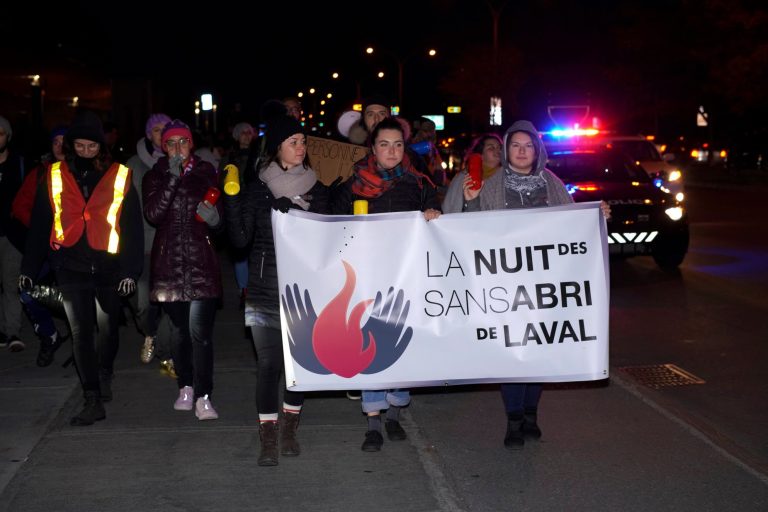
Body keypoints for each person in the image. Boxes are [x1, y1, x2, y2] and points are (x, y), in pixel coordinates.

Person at [453, 119, 609, 450]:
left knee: (539, 350)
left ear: (537, 150)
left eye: (528, 146)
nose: (522, 152)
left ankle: (530, 415)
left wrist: (597, 215)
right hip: (506, 284)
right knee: (511, 352)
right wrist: (471, 202)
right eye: (515, 145)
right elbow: (469, 231)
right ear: (506, 150)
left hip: (545, 285)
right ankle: (512, 421)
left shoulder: (553, 183)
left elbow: (573, 225)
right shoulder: (491, 185)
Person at [20, 110, 143, 426]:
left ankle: (105, 372)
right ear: (71, 145)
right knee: (80, 332)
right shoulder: (54, 175)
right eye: (80, 146)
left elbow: (131, 226)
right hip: (69, 264)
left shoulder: (120, 174)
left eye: (93, 146)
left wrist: (130, 270)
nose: (86, 151)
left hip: (108, 265)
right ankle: (91, 398)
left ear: (101, 147)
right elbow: (40, 224)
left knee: (107, 327)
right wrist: (30, 267)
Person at [225, 115, 330, 466]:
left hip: (304, 292)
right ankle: (268, 436)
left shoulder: (318, 190)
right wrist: (234, 199)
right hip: (263, 288)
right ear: (277, 148)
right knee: (269, 364)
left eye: (303, 141)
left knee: (298, 365)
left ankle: (289, 428)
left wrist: (302, 220)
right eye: (293, 142)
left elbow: (333, 242)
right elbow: (239, 241)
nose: (300, 148)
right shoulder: (258, 187)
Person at [333, 116, 440, 452]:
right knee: (371, 344)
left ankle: (394, 414)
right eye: (384, 144)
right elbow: (330, 223)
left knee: (401, 344)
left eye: (397, 144)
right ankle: (373, 422)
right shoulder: (351, 185)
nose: (391, 151)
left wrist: (433, 214)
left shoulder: (420, 182)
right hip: (367, 279)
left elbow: (438, 221)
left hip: (407, 278)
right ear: (373, 148)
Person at [143, 119, 223, 421]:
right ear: (164, 148)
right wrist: (172, 180)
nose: (178, 148)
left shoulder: (206, 173)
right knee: (179, 332)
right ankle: (185, 386)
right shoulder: (155, 176)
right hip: (169, 264)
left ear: (191, 144)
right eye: (171, 143)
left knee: (200, 333)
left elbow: (220, 218)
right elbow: (153, 214)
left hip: (201, 261)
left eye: (183, 142)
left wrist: (215, 219)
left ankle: (204, 395)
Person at [11, 126, 70, 366]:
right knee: (28, 292)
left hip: (77, 250)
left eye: (64, 141)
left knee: (80, 300)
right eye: (55, 141)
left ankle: (87, 347)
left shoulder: (82, 172)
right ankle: (49, 335)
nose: (59, 146)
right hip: (46, 249)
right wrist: (42, 226)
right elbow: (19, 207)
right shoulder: (39, 174)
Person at [125, 113, 175, 375]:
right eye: (156, 129)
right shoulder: (133, 164)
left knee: (170, 301)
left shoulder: (177, 161)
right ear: (148, 134)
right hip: (143, 244)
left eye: (166, 129)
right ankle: (150, 333)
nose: (161, 133)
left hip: (169, 244)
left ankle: (166, 348)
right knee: (142, 302)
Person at [219, 122, 255, 308]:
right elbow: (221, 181)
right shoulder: (228, 158)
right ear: (236, 136)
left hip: (254, 206)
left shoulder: (260, 156)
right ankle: (244, 289)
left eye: (249, 133)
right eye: (242, 133)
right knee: (240, 249)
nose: (246, 136)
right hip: (236, 207)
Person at [0, 115, 27, 352]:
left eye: (0, 133)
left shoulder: (18, 163)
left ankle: (12, 332)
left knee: (10, 283)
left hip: (11, 235)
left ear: (7, 136)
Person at [441, 133, 503, 213]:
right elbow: (450, 207)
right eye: (491, 148)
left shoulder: (505, 176)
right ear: (480, 154)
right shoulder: (462, 177)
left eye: (499, 147)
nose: (497, 150)